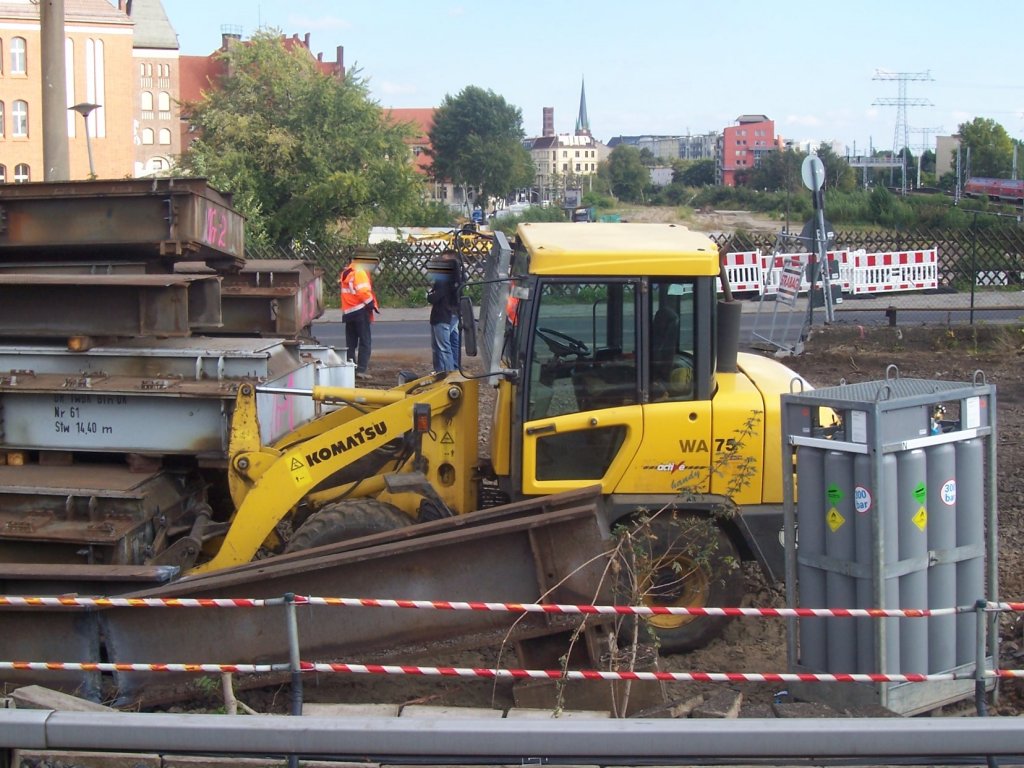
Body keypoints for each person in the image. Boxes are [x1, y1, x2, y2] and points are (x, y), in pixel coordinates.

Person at [339, 254, 379, 379]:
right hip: (360, 311)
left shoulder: (346, 272)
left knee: (350, 343)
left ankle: (351, 368)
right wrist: (371, 304)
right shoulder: (360, 272)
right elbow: (363, 292)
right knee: (365, 341)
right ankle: (361, 370)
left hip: (349, 311)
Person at [427, 250, 461, 373]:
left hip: (441, 315)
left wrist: (429, 294)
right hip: (454, 313)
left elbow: (434, 297)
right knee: (453, 343)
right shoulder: (457, 277)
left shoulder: (443, 281)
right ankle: (455, 369)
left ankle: (445, 372)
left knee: (442, 347)